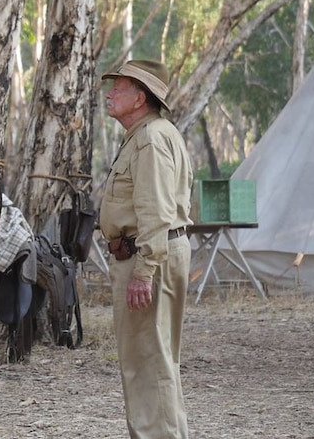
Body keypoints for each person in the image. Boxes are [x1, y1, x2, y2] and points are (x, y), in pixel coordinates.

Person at [99, 59, 193, 439]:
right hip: (148, 253)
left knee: (150, 364)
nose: (109, 93)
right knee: (151, 363)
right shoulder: (145, 135)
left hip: (148, 255)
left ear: (140, 98)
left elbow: (155, 209)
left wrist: (144, 270)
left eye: (118, 87)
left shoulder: (152, 138)